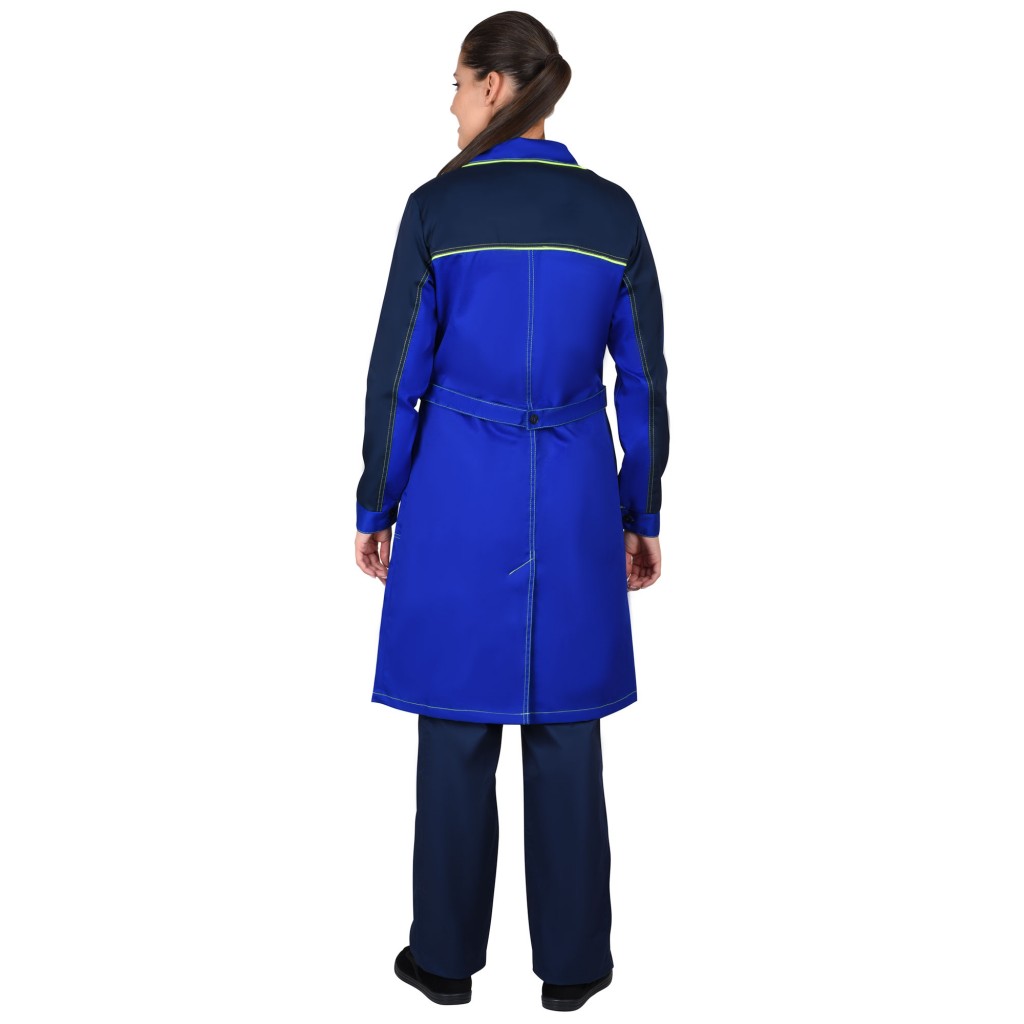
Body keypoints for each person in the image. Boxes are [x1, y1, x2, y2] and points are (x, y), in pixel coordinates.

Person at [353, 12, 668, 1013]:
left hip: (456, 489)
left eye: (455, 83)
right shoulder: (612, 212)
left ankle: (444, 960)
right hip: (574, 492)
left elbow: (397, 377)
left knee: (455, 723)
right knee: (566, 727)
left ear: (494, 85)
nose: (450, 105)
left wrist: (376, 499)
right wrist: (640, 510)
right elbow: (644, 381)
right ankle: (573, 968)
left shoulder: (436, 210)